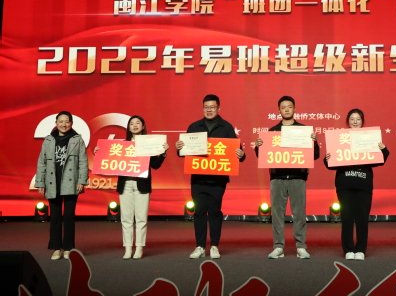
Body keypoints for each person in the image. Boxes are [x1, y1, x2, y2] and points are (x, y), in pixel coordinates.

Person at [176, 94, 245, 259]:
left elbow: (238, 151)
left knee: (215, 212)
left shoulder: (226, 127)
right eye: (206, 107)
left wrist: (241, 154)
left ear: (218, 108)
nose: (209, 110)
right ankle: (199, 246)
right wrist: (179, 148)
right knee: (199, 212)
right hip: (198, 178)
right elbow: (183, 153)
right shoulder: (194, 127)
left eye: (212, 107)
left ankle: (214, 246)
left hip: (218, 179)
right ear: (203, 108)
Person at [93, 115, 168, 260]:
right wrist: (99, 152)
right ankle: (128, 248)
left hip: (142, 184)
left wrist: (163, 154)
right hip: (125, 184)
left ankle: (139, 248)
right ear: (128, 127)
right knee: (126, 219)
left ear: (143, 126)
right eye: (131, 123)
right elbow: (109, 160)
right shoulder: (121, 145)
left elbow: (155, 165)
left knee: (141, 219)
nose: (134, 125)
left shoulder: (147, 144)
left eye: (137, 123)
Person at [255, 96, 319, 259]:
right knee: (277, 214)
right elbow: (263, 156)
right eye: (283, 107)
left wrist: (314, 142)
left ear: (294, 109)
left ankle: (301, 246)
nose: (287, 110)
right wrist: (258, 147)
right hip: (277, 177)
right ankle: (278, 246)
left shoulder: (304, 131)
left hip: (298, 177)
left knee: (299, 213)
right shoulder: (272, 132)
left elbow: (315, 155)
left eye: (289, 107)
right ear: (279, 110)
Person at [324, 109, 389, 260]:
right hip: (344, 185)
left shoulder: (369, 139)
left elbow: (380, 160)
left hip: (363, 184)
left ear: (362, 121)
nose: (355, 121)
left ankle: (360, 249)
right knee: (347, 218)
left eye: (358, 119)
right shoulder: (340, 139)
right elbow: (331, 164)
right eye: (352, 119)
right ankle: (348, 250)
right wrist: (327, 158)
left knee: (362, 219)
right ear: (348, 121)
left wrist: (383, 149)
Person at [35, 111, 89, 260]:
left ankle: (68, 248)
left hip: (71, 182)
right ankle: (56, 248)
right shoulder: (48, 140)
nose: (64, 124)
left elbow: (83, 161)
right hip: (52, 181)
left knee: (69, 217)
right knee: (55, 217)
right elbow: (41, 162)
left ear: (71, 123)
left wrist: (81, 180)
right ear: (56, 123)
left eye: (67, 121)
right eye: (61, 121)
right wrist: (40, 182)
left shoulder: (77, 139)